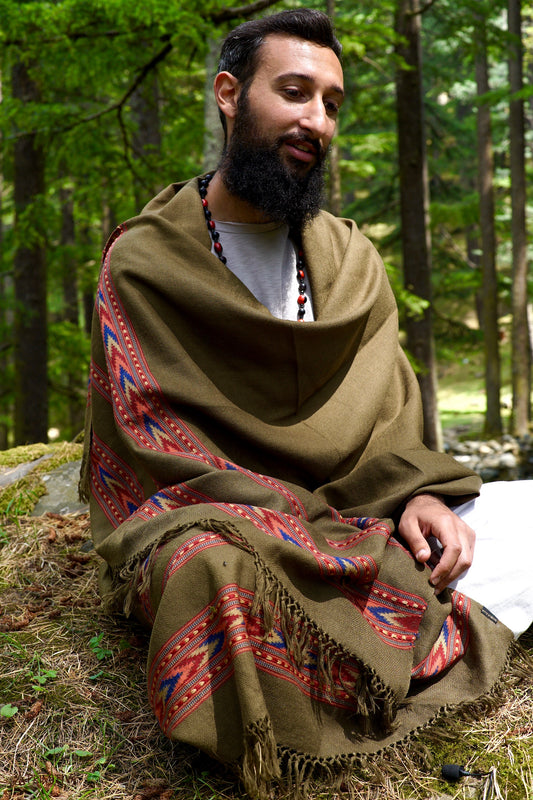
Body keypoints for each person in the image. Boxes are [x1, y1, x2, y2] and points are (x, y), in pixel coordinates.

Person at [80, 9, 532, 797]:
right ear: (229, 94)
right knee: (212, 572)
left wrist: (419, 495)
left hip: (363, 514)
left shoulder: (351, 260)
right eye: (293, 92)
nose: (315, 120)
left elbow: (391, 418)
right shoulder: (145, 263)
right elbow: (149, 444)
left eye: (330, 104)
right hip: (221, 519)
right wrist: (306, 524)